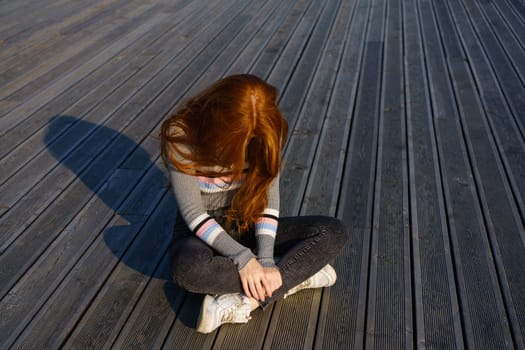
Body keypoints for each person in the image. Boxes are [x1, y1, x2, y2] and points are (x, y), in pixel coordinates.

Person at [160, 74, 348, 334]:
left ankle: (244, 301)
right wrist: (244, 259)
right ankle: (294, 277)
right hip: (200, 232)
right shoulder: (181, 133)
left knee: (332, 231)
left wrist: (267, 260)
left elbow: (268, 204)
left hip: (246, 220)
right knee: (187, 270)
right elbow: (193, 214)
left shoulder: (264, 135)